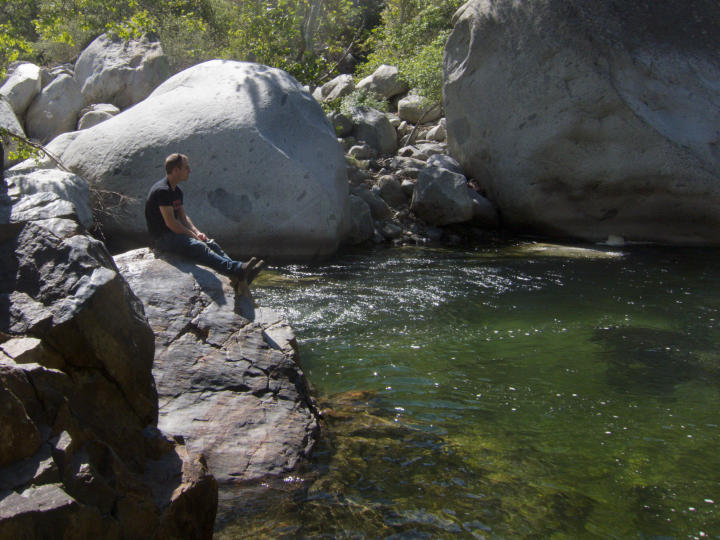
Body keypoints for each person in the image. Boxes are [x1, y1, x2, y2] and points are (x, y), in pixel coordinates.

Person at [145, 153, 264, 289]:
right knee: (198, 246)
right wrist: (192, 236)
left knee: (210, 244)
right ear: (176, 170)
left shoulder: (177, 191)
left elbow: (183, 217)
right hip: (162, 238)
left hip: (175, 234)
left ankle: (240, 273)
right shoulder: (162, 191)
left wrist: (197, 232)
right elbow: (171, 223)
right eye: (186, 168)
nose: (189, 171)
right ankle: (238, 269)